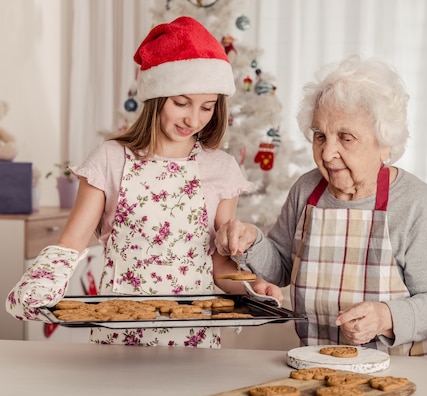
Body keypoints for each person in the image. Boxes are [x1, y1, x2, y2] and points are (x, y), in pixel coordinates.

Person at [6, 16, 281, 347]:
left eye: (207, 107)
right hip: (120, 331)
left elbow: (219, 262)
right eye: (181, 103)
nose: (193, 119)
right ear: (156, 95)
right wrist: (38, 286)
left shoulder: (221, 168)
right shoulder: (110, 159)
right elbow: (72, 243)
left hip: (193, 335)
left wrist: (254, 286)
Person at [215, 56, 427, 356]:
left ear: (385, 143)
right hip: (319, 365)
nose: (328, 153)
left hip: (404, 372)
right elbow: (280, 267)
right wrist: (252, 240)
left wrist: (386, 317)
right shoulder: (306, 190)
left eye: (346, 138)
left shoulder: (415, 204)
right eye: (320, 136)